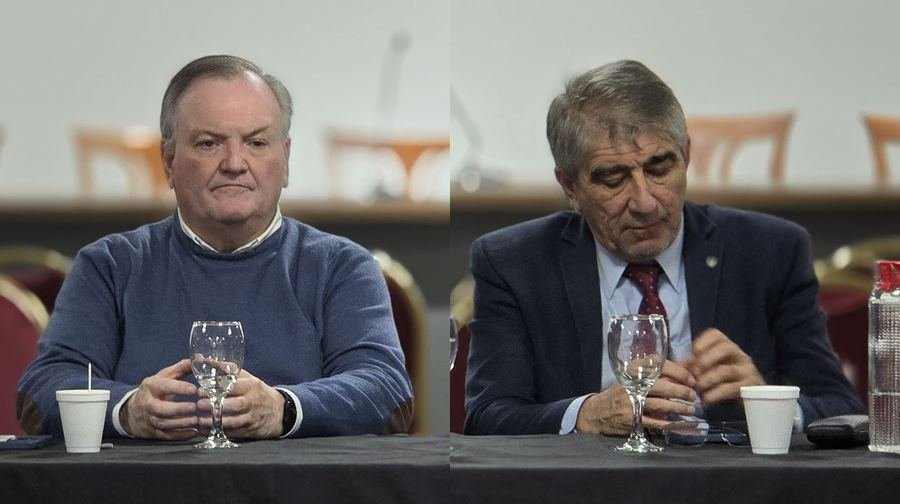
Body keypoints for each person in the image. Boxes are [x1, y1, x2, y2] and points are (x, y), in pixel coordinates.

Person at [17, 55, 413, 440]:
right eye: (209, 144)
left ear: (286, 159)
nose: (235, 163)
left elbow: (388, 393)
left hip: (300, 500)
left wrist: (284, 409)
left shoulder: (342, 267)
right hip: (141, 499)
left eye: (257, 143)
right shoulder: (110, 266)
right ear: (169, 160)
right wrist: (128, 410)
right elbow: (42, 390)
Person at [464, 60, 863, 436]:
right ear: (570, 186)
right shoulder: (513, 263)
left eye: (659, 169)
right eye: (613, 178)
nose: (645, 202)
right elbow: (487, 417)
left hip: (733, 495)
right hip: (580, 496)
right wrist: (587, 413)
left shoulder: (770, 252)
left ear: (686, 155)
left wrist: (768, 404)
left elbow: (842, 408)